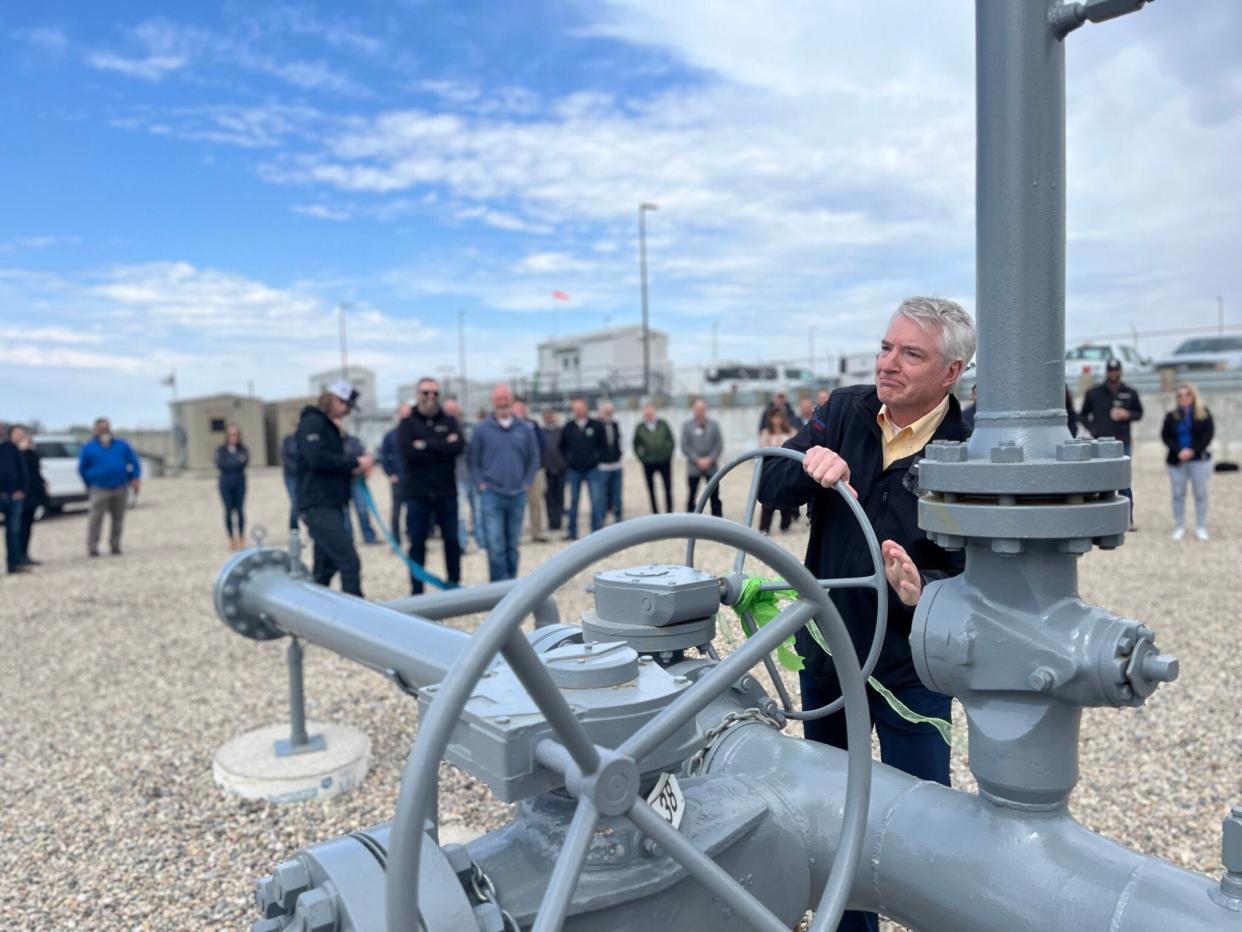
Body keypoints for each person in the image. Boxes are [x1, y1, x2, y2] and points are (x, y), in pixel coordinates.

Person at [758, 296, 975, 932]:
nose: (889, 363)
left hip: (913, 670)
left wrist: (923, 587)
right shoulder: (842, 410)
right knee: (830, 814)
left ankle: (936, 913)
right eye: (886, 347)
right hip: (827, 655)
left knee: (925, 819)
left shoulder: (968, 450)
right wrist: (806, 465)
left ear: (951, 373)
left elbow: (984, 575)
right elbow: (770, 490)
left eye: (912, 354)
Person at [295, 383, 375, 596]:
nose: (348, 411)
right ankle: (355, 620)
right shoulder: (313, 423)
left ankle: (312, 613)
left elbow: (329, 463)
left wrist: (353, 469)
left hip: (330, 503)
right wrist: (353, 462)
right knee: (349, 562)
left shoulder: (326, 425)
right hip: (319, 504)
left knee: (325, 568)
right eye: (347, 405)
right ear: (336, 400)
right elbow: (317, 459)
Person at [398, 378, 464, 594]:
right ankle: (417, 591)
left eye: (435, 393)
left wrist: (425, 444)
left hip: (446, 491)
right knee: (417, 543)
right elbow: (408, 452)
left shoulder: (450, 420)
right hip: (418, 493)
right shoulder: (407, 424)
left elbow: (458, 447)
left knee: (452, 541)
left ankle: (453, 586)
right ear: (418, 394)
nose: (430, 397)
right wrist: (442, 444)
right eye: (426, 393)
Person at [470, 384, 539, 581]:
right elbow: (473, 459)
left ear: (512, 401)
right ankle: (498, 589)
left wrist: (526, 483)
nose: (502, 403)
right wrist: (481, 484)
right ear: (493, 402)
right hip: (492, 495)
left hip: (517, 494)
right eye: (498, 400)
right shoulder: (482, 429)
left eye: (505, 399)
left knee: (512, 545)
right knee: (495, 545)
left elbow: (533, 458)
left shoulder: (525, 428)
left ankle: (511, 586)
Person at [1080, 359, 1142, 528]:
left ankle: (1126, 519)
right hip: (1100, 443)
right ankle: (1101, 519)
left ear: (1120, 371)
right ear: (1107, 372)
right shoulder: (1094, 393)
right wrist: (1094, 429)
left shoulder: (1130, 392)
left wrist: (1127, 414)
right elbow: (1083, 415)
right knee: (1099, 480)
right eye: (1111, 370)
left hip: (1123, 443)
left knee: (1124, 481)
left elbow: (1139, 413)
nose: (1114, 373)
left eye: (1116, 370)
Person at [78, 417, 141, 558]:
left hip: (120, 486)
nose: (104, 431)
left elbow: (134, 462)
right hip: (99, 488)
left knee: (118, 519)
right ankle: (92, 547)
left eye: (106, 428)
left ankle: (115, 545)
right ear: (95, 430)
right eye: (101, 428)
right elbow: (82, 468)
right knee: (95, 519)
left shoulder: (121, 445)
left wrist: (134, 477)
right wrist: (90, 482)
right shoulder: (89, 448)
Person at [1161, 382, 1214, 542]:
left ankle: (1201, 526)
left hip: (1199, 460)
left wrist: (1193, 451)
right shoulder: (1171, 416)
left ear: (1193, 395)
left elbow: (1208, 435)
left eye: (1187, 394)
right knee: (1178, 494)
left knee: (1200, 494)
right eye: (1180, 395)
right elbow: (1166, 436)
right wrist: (1179, 451)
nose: (1184, 398)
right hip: (1177, 461)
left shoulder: (1204, 414)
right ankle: (1180, 526)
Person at [558, 397, 606, 540]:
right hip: (574, 470)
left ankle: (597, 531)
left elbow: (603, 445)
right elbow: (561, 446)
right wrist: (569, 459)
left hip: (593, 469)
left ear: (586, 408)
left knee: (596, 500)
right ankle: (572, 531)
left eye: (580, 408)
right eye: (575, 409)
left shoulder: (596, 426)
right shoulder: (568, 427)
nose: (578, 411)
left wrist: (596, 458)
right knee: (573, 501)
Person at [756, 407, 797, 534]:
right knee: (768, 498)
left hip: (787, 469)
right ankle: (764, 528)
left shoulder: (791, 431)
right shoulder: (766, 432)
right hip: (771, 469)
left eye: (779, 417)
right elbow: (762, 448)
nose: (777, 420)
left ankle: (786, 523)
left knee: (787, 495)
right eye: (774, 417)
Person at [443, 398, 476, 553]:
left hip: (474, 475)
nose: (453, 413)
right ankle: (462, 543)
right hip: (454, 476)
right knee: (460, 514)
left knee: (479, 512)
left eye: (454, 410)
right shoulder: (441, 429)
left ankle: (481, 542)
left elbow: (474, 448)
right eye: (449, 410)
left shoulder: (469, 427)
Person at [513, 396, 548, 542]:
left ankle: (536, 532)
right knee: (516, 504)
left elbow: (542, 445)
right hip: (515, 471)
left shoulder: (533, 424)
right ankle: (516, 533)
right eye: (517, 407)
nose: (520, 410)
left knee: (536, 502)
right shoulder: (509, 426)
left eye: (522, 407)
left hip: (535, 470)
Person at [681, 398, 724, 516]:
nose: (700, 411)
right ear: (693, 410)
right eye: (697, 409)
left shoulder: (714, 425)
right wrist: (697, 459)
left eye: (702, 409)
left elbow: (719, 444)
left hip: (711, 467)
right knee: (692, 495)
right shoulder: (687, 426)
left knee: (715, 496)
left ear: (705, 409)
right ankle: (691, 520)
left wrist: (710, 459)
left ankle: (718, 521)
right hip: (694, 467)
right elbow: (685, 446)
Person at [12, 425, 46, 568]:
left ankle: (25, 554)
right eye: (17, 433)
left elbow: (35, 468)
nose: (20, 436)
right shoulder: (10, 452)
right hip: (18, 494)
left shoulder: (31, 452)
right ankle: (16, 556)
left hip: (32, 494)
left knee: (27, 526)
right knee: (17, 528)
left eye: (22, 433)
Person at [340, 423, 380, 545]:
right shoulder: (331, 443)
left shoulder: (354, 441)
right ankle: (348, 540)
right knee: (345, 513)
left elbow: (363, 456)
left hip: (357, 481)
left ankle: (369, 537)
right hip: (341, 482)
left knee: (362, 509)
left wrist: (363, 467)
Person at [380, 402, 412, 545]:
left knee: (414, 511)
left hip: (414, 479)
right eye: (403, 412)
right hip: (398, 479)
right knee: (396, 511)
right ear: (398, 414)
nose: (405, 415)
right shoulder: (390, 436)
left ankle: (413, 537)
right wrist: (390, 473)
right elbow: (384, 456)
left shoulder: (415, 433)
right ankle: (396, 540)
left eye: (408, 413)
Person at [633, 403, 675, 513]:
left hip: (664, 461)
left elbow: (671, 440)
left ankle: (669, 510)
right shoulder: (640, 427)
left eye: (650, 414)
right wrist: (641, 457)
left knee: (667, 487)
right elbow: (635, 444)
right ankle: (655, 511)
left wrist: (668, 454)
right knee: (651, 489)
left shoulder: (663, 424)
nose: (648, 416)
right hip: (648, 463)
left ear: (654, 413)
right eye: (646, 414)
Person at [214, 423, 249, 550]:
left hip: (239, 484)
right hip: (225, 485)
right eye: (231, 434)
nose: (233, 437)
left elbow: (243, 463)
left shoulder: (243, 449)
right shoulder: (221, 450)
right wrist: (234, 462)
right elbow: (221, 464)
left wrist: (231, 462)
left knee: (240, 511)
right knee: (228, 512)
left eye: (236, 434)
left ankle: (241, 537)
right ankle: (231, 538)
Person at [0, 422, 30, 573]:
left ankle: (14, 564)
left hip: (13, 496)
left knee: (13, 532)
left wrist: (22, 490)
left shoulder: (11, 448)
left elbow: (22, 469)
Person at [540, 408, 568, 532]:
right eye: (546, 416)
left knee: (560, 496)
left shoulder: (561, 431)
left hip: (561, 468)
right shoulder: (540, 432)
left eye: (551, 415)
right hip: (546, 469)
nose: (549, 418)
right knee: (549, 498)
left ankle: (559, 521)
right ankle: (552, 523)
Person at [598, 400, 624, 523]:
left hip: (616, 465)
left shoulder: (615, 425)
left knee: (617, 494)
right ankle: (602, 517)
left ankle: (618, 517)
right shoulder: (597, 426)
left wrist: (620, 454)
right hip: (603, 467)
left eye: (610, 412)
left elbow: (620, 441)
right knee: (602, 495)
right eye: (606, 411)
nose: (609, 414)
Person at [280, 424, 300, 531]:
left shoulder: (305, 440)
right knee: (295, 502)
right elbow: (285, 457)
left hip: (304, 477)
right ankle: (294, 529)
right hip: (291, 477)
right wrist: (298, 468)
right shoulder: (288, 440)